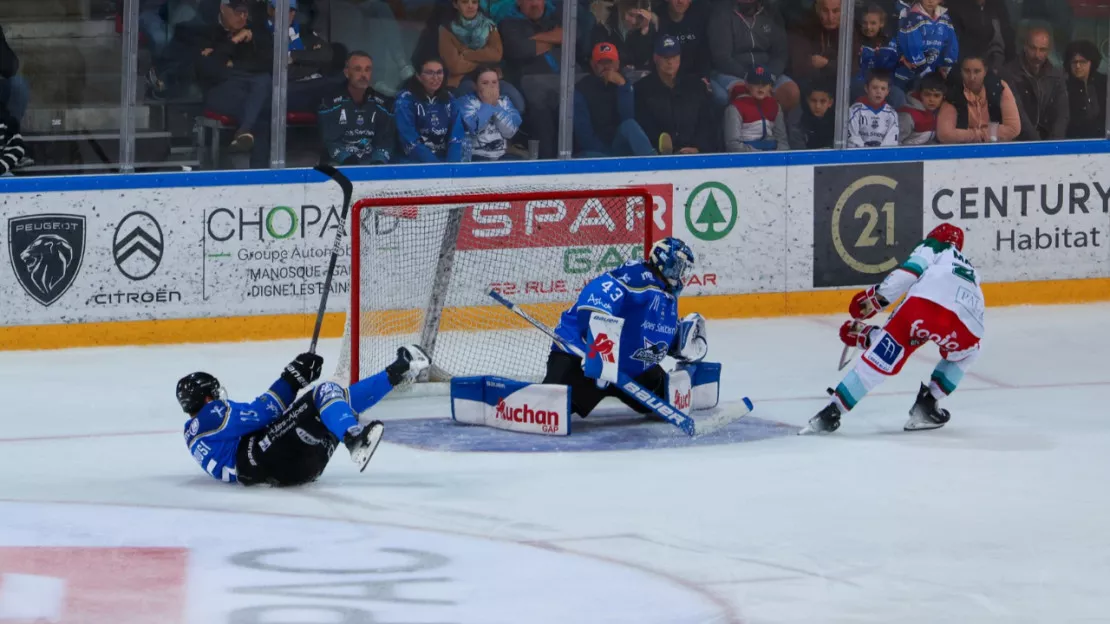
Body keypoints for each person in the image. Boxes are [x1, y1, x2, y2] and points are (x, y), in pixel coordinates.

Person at [802, 224, 984, 434]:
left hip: (922, 307)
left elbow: (909, 274)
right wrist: (866, 334)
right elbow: (938, 321)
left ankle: (832, 411)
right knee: (967, 353)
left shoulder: (935, 247)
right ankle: (928, 404)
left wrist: (875, 300)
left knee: (882, 357)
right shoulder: (969, 270)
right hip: (969, 324)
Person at [178, 346, 431, 486]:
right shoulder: (211, 415)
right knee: (325, 392)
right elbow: (262, 413)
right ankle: (355, 439)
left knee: (333, 403)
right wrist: (291, 379)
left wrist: (295, 380)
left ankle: (398, 371)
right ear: (208, 399)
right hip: (261, 458)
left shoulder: (194, 433)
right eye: (215, 394)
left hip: (290, 468)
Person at [544, 237, 707, 418]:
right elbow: (595, 300)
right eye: (678, 267)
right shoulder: (636, 277)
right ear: (664, 263)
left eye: (684, 271)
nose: (681, 275)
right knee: (551, 409)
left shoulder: (667, 298)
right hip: (583, 359)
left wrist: (680, 342)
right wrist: (598, 346)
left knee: (667, 400)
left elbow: (654, 336)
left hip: (628, 373)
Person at [196, 0, 274, 164]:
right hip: (218, 92)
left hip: (249, 92)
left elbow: (268, 64)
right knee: (259, 108)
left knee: (262, 86)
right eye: (238, 12)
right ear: (223, 9)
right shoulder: (204, 30)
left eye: (246, 13)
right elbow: (210, 71)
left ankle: (256, 174)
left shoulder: (255, 32)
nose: (243, 17)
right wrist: (233, 41)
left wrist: (232, 63)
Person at [634, 35, 720, 154]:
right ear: (655, 58)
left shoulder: (696, 86)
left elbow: (707, 122)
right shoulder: (642, 89)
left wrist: (698, 148)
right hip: (658, 157)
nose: (670, 62)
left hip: (697, 155)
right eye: (665, 57)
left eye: (674, 57)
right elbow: (643, 125)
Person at [500, 0, 563, 159]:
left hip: (562, 81)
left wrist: (535, 39)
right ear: (518, 2)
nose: (535, 3)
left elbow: (572, 37)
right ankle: (546, 164)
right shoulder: (508, 23)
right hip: (529, 84)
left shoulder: (555, 16)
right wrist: (553, 38)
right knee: (540, 109)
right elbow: (519, 49)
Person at [440, 0, 526, 113]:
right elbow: (455, 66)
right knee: (470, 101)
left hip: (490, 76)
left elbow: (496, 55)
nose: (470, 6)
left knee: (517, 102)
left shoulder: (489, 26)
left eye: (474, 2)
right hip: (461, 78)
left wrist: (466, 53)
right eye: (465, 2)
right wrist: (483, 60)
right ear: (456, 4)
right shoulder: (447, 29)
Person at [573, 42, 655, 158]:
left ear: (617, 64)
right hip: (594, 151)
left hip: (618, 146)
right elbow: (583, 135)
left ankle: (652, 164)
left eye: (609, 62)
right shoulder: (581, 89)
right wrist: (609, 157)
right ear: (593, 64)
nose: (606, 67)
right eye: (601, 63)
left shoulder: (623, 83)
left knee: (630, 125)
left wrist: (623, 87)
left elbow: (627, 119)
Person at [318, 51, 396, 166]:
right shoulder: (329, 103)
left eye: (367, 69)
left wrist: (379, 161)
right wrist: (346, 159)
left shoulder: (383, 104)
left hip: (372, 164)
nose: (363, 75)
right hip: (339, 165)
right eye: (358, 69)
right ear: (346, 72)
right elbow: (330, 142)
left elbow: (386, 141)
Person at [1000, 27, 1068, 141]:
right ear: (1025, 46)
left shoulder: (1057, 75)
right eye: (1033, 48)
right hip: (1020, 142)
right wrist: (1038, 144)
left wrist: (1054, 143)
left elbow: (1062, 114)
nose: (1037, 55)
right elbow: (1019, 114)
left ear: (1049, 50)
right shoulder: (1009, 73)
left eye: (1042, 50)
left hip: (1050, 143)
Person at [394, 58, 466, 163]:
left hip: (445, 163)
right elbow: (409, 140)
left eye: (439, 72)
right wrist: (435, 167)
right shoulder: (405, 100)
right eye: (429, 73)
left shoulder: (449, 99)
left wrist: (452, 166)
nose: (435, 77)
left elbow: (456, 136)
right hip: (415, 165)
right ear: (418, 76)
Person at [937, 53, 1020, 143]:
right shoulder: (953, 92)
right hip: (964, 150)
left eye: (977, 71)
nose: (972, 77)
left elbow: (1013, 128)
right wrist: (981, 135)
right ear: (961, 71)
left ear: (985, 71)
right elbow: (944, 134)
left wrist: (976, 134)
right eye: (967, 71)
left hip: (997, 148)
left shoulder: (999, 87)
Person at [458, 65, 523, 160]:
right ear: (476, 86)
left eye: (494, 82)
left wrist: (495, 105)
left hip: (501, 155)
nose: (491, 86)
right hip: (475, 156)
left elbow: (510, 132)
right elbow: (472, 129)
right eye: (485, 83)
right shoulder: (466, 102)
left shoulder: (505, 101)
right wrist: (488, 105)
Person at [894, 0, 958, 92]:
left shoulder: (945, 17)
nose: (930, 1)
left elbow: (951, 42)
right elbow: (912, 46)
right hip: (913, 70)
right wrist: (925, 70)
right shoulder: (912, 16)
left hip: (936, 71)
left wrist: (946, 65)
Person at [724, 65, 789, 152]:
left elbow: (782, 140)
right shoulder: (735, 108)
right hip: (747, 157)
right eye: (756, 83)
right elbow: (732, 144)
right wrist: (758, 156)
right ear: (747, 85)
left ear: (770, 86)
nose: (760, 87)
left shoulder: (775, 106)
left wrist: (777, 156)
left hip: (773, 154)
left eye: (765, 83)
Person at [945, 0, 1014, 72]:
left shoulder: (998, 5)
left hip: (998, 66)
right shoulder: (955, 7)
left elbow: (1008, 37)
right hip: (967, 67)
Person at [856, 4, 903, 108]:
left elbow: (893, 67)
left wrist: (881, 57)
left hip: (883, 84)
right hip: (862, 84)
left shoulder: (889, 42)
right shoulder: (855, 39)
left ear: (881, 23)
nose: (868, 27)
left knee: (898, 96)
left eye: (873, 23)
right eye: (865, 23)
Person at [1063, 40, 1106, 139]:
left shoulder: (1105, 83)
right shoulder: (1063, 86)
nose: (1078, 66)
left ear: (1092, 62)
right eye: (1074, 62)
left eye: (1082, 62)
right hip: (1074, 142)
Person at [847, 70, 899, 147]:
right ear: (866, 88)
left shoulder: (891, 113)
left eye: (883, 89)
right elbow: (852, 136)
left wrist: (879, 154)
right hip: (860, 155)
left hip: (881, 156)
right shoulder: (855, 110)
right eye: (874, 88)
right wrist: (865, 151)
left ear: (887, 91)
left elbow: (892, 140)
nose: (879, 92)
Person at [897, 70, 944, 144]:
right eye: (927, 94)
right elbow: (894, 143)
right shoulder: (908, 115)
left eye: (936, 95)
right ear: (920, 94)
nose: (931, 99)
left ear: (943, 96)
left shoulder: (942, 112)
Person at [798, 81, 835, 149]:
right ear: (807, 100)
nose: (818, 106)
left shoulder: (837, 122)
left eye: (823, 101)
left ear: (830, 102)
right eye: (813, 101)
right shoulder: (800, 122)